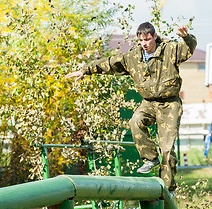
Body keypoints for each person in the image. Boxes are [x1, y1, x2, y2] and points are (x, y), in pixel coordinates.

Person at [65, 22, 197, 191]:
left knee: (167, 149)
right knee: (135, 121)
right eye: (142, 40)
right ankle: (150, 158)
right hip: (148, 102)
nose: (145, 44)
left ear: (155, 37)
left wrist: (186, 37)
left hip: (169, 103)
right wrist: (85, 71)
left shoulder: (170, 49)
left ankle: (167, 189)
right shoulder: (133, 57)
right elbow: (110, 63)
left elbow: (189, 49)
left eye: (148, 39)